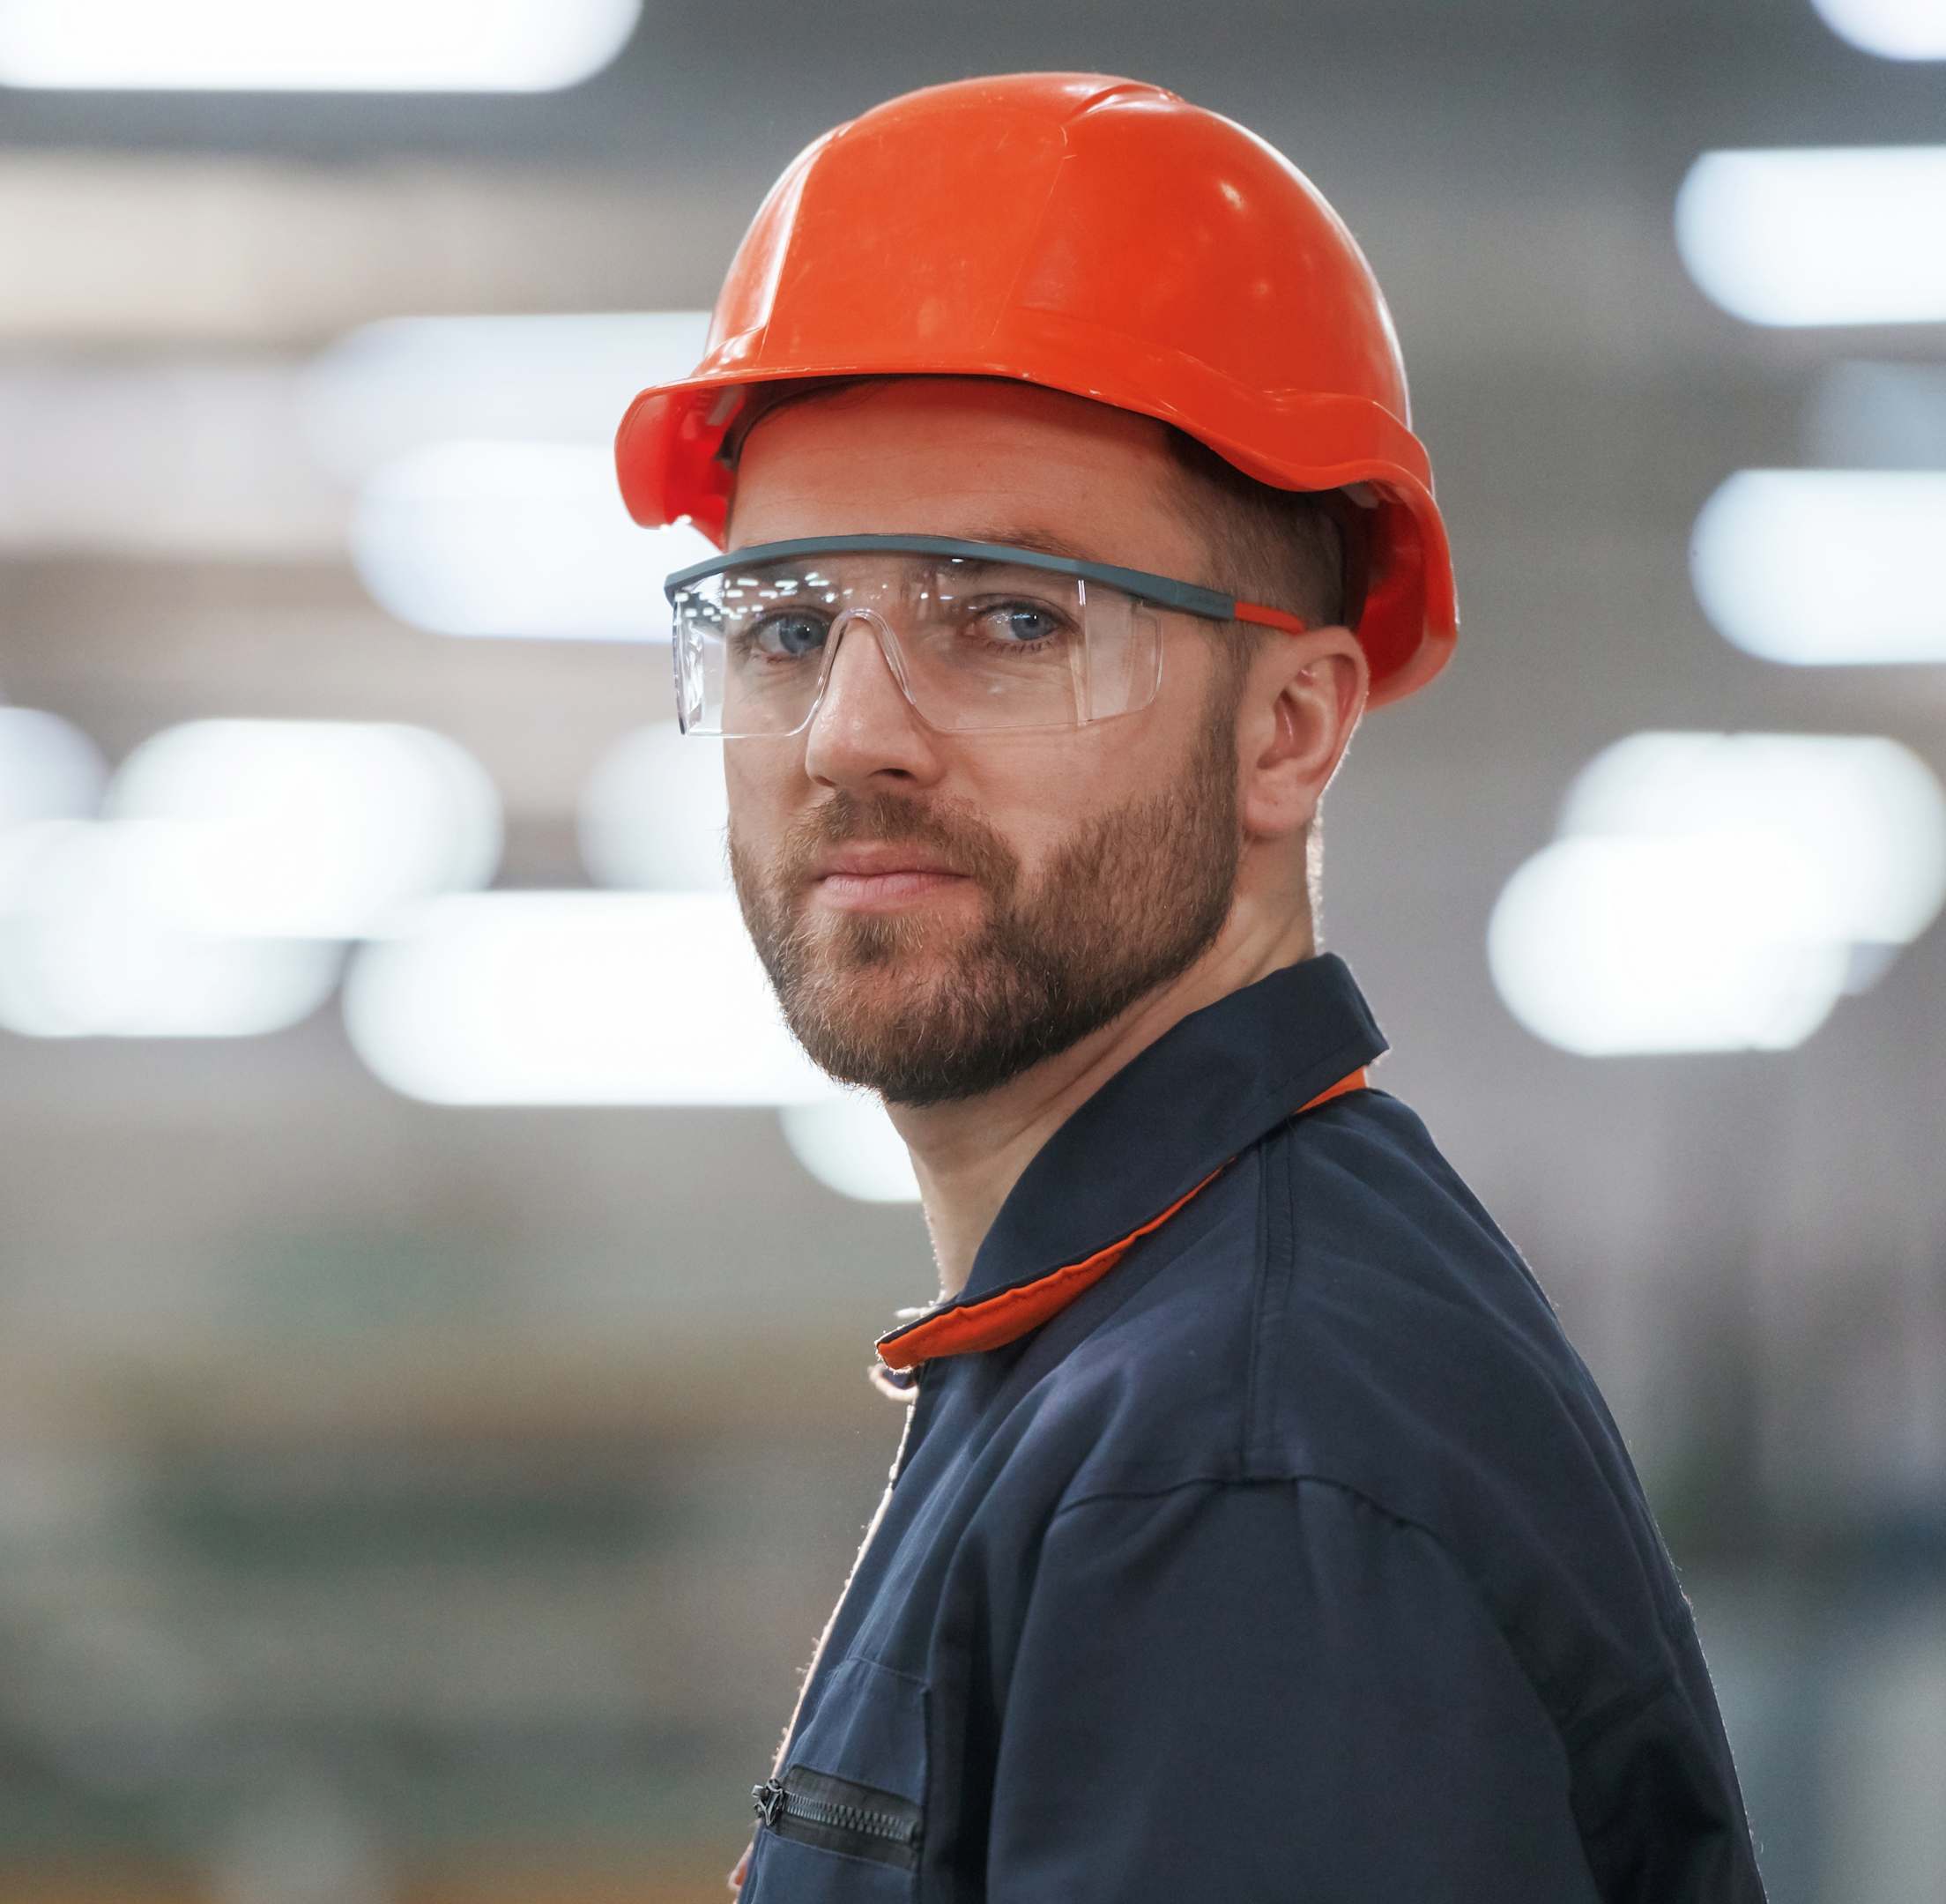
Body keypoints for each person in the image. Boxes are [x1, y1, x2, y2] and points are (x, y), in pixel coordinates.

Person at [613, 71, 1768, 1903]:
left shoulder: (1241, 1471)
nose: (850, 734)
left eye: (1008, 616)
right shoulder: (1130, 1360)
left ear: (1290, 730)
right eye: (787, 622)